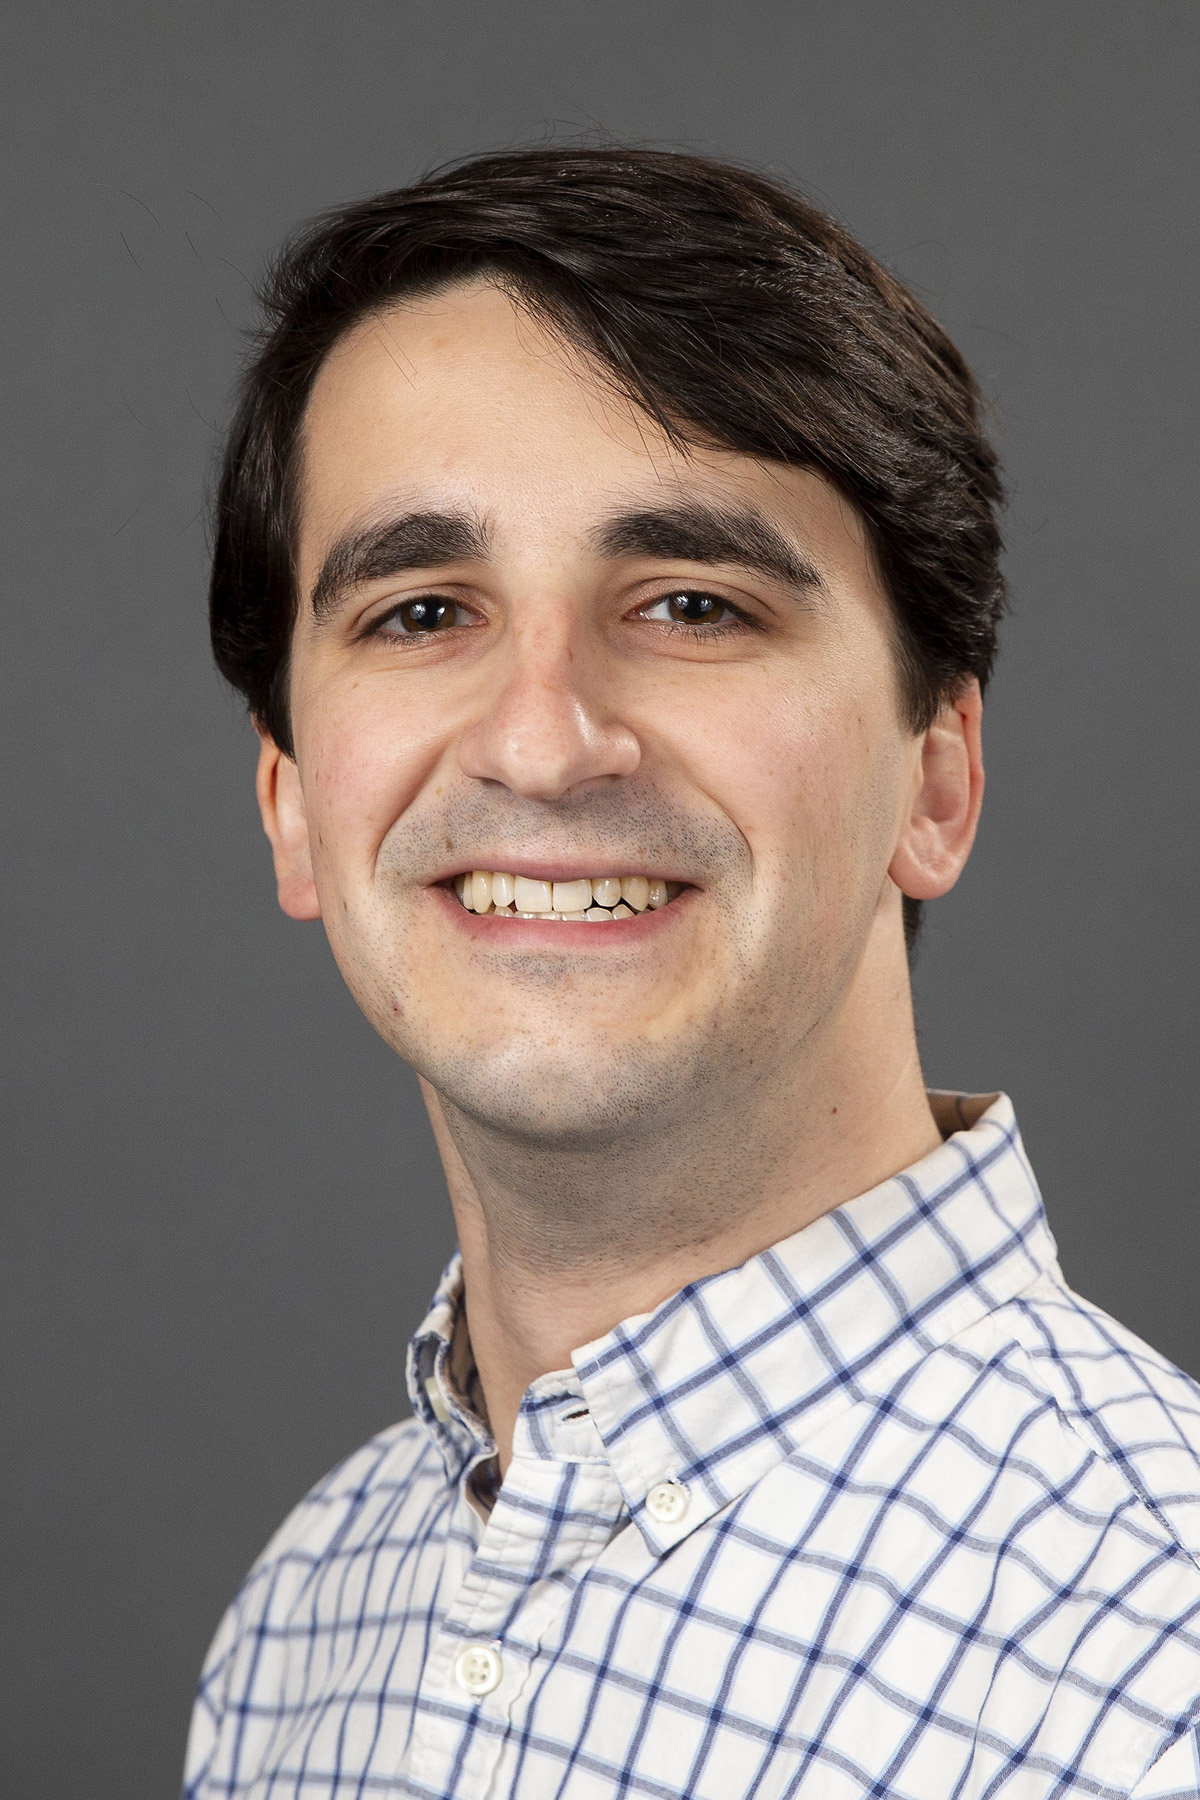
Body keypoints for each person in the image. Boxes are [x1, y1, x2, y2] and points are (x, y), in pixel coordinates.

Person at [183, 148, 1200, 1799]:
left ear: (935, 779)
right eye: (426, 610)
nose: (544, 738)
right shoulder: (306, 1623)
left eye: (689, 602)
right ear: (293, 803)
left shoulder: (1150, 1656)